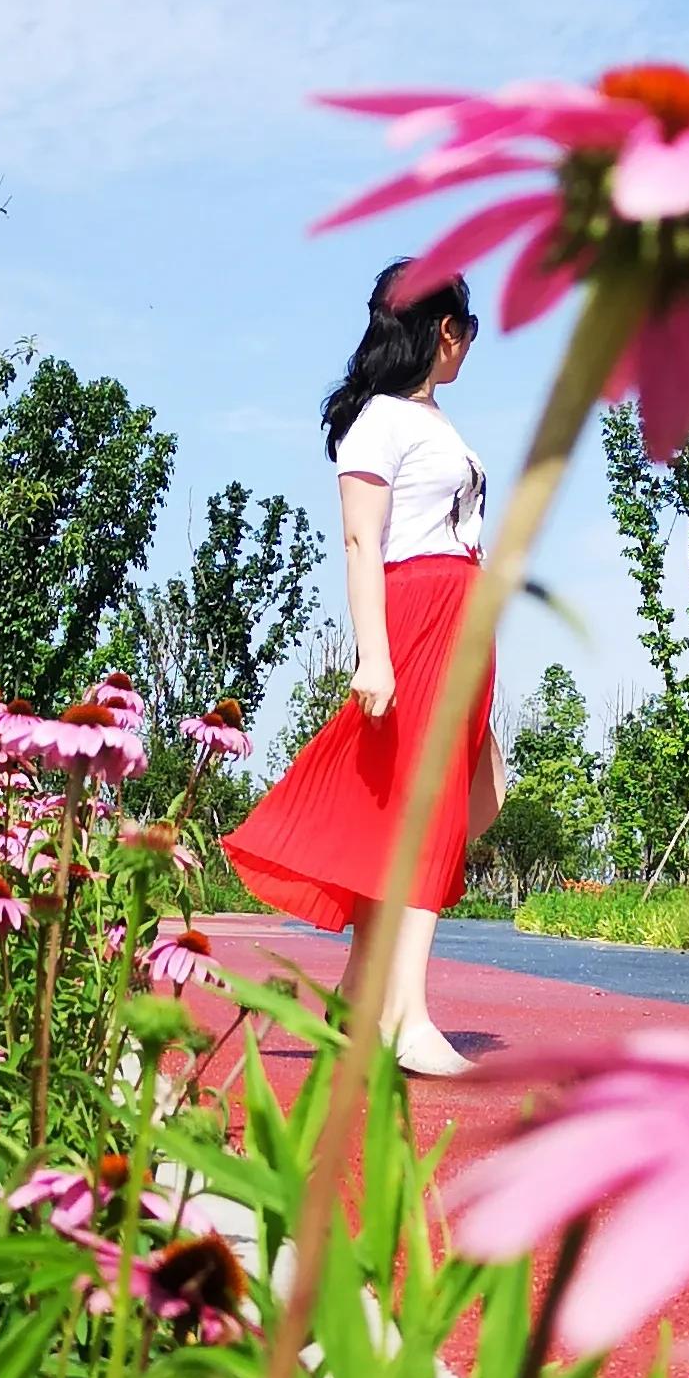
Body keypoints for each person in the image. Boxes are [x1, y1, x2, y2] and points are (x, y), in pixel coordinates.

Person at [223, 263, 497, 1077]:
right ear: (443, 330)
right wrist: (372, 653)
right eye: (467, 331)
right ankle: (405, 1018)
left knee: (461, 803)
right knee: (427, 817)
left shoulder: (433, 422)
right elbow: (360, 542)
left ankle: (355, 1003)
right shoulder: (379, 420)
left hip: (462, 623)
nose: (470, 347)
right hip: (418, 619)